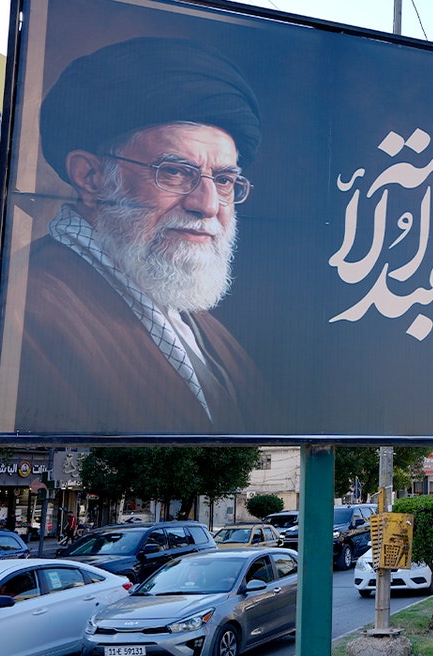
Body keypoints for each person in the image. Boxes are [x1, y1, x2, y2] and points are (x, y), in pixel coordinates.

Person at [14, 37, 269, 434]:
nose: (207, 204)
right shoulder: (26, 311)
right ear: (91, 177)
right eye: (175, 171)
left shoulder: (186, 315)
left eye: (223, 180)